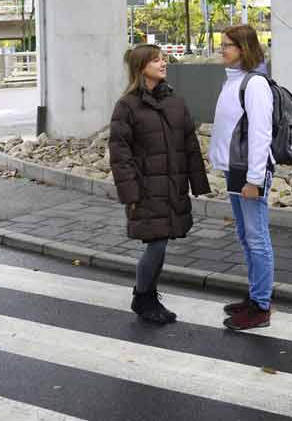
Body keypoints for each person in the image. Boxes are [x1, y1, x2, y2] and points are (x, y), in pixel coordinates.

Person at [109, 44, 210, 325]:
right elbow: (120, 153)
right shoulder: (127, 106)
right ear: (141, 67)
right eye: (156, 60)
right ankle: (143, 297)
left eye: (163, 59)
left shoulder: (175, 101)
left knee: (162, 242)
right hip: (145, 188)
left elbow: (190, 144)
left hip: (172, 185)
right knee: (156, 244)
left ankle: (148, 296)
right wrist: (129, 193)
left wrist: (197, 183)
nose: (163, 63)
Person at [210, 24, 275, 330]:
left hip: (249, 173)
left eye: (227, 45)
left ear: (244, 49)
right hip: (234, 170)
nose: (221, 49)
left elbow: (261, 135)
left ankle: (261, 307)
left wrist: (254, 180)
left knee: (257, 239)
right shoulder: (233, 82)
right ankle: (254, 296)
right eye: (222, 44)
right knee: (246, 238)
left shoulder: (255, 85)